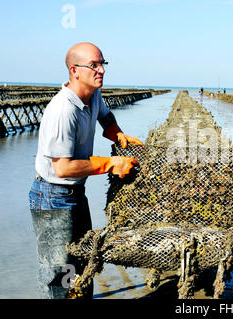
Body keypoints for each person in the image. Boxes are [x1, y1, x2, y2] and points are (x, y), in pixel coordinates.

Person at [28, 42, 143, 299]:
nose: (101, 70)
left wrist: (117, 133)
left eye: (103, 64)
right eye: (94, 65)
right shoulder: (62, 111)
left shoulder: (94, 94)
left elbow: (105, 116)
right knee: (59, 276)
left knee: (84, 261)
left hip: (76, 194)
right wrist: (111, 163)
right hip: (52, 197)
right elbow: (63, 167)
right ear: (75, 70)